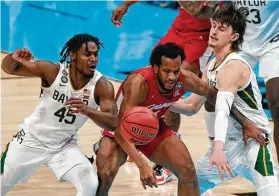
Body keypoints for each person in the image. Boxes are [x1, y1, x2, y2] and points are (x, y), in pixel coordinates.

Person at [93, 42, 264, 196]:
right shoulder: (139, 83)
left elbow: (215, 97)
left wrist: (246, 123)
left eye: (175, 71)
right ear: (155, 68)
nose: (172, 77)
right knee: (105, 174)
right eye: (166, 71)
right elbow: (121, 129)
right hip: (121, 129)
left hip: (153, 126)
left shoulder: (185, 79)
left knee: (188, 171)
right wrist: (141, 165)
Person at [170, 4, 279, 195]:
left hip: (253, 145)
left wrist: (217, 148)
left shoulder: (233, 66)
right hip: (228, 146)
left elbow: (222, 110)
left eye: (221, 29)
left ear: (234, 36)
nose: (213, 32)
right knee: (188, 186)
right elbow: (191, 105)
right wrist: (158, 101)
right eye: (213, 26)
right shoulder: (212, 65)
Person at [111, 0, 215, 184]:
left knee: (172, 87)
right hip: (179, 27)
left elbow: (200, 11)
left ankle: (167, 155)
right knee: (154, 80)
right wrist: (127, 4)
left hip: (201, 35)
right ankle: (144, 133)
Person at [0, 34, 117, 195]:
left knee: (89, 183)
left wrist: (88, 110)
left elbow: (113, 123)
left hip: (64, 146)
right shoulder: (52, 71)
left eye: (95, 54)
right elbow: (8, 69)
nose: (93, 59)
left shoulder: (102, 86)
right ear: (72, 55)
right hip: (30, 140)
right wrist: (14, 58)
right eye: (87, 54)